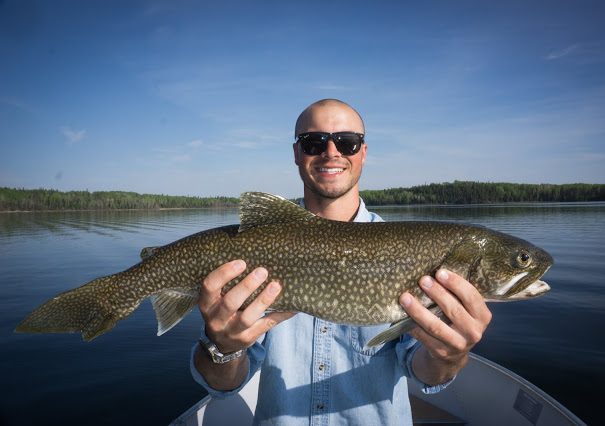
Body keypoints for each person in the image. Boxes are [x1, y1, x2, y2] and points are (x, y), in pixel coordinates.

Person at [191, 99, 492, 424]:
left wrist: (450, 354)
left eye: (347, 142)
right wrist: (222, 347)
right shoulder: (259, 247)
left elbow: (425, 373)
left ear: (363, 152)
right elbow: (224, 384)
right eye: (314, 142)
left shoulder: (411, 250)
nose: (331, 152)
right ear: (296, 153)